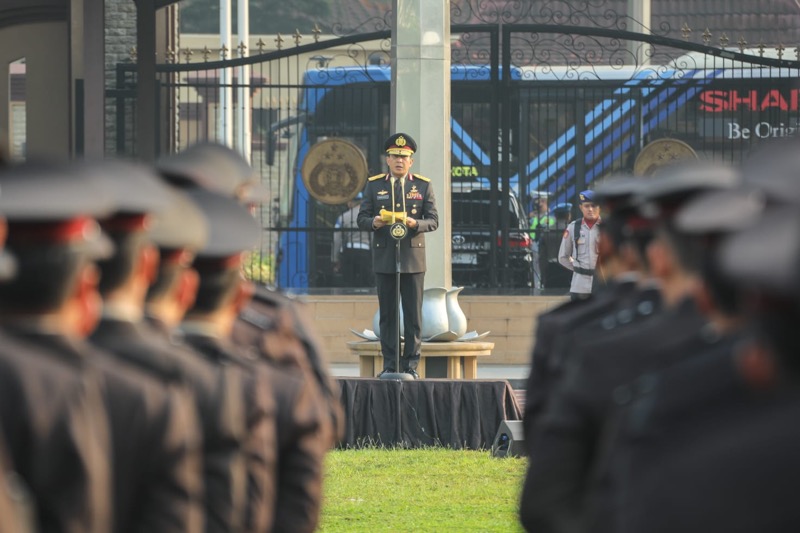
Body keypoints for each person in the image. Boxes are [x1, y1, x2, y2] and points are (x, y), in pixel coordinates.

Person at [356, 133, 439, 378]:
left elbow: (434, 221)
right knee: (388, 316)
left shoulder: (422, 185)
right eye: (395, 157)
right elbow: (361, 219)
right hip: (385, 259)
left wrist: (415, 223)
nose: (400, 161)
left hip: (412, 259)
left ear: (411, 161)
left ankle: (411, 366)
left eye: (404, 157)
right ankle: (390, 365)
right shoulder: (375, 185)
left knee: (413, 316)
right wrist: (376, 221)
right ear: (387, 160)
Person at [558, 190, 601, 300]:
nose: (590, 209)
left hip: (602, 284)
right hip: (580, 285)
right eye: (586, 206)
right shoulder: (573, 228)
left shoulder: (607, 227)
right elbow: (563, 257)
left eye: (593, 205)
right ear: (581, 207)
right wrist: (578, 268)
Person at [332, 193, 373, 287]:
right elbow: (374, 236)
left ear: (350, 202)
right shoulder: (369, 217)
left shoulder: (343, 217)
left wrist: (335, 259)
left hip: (349, 251)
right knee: (365, 283)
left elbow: (337, 239)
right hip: (365, 252)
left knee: (349, 282)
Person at [529, 191, 555, 289]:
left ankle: (544, 284)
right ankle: (536, 286)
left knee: (544, 267)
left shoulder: (550, 217)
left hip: (545, 246)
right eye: (535, 201)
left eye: (538, 201)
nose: (536, 204)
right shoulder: (531, 217)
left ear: (544, 201)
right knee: (534, 268)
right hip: (532, 245)